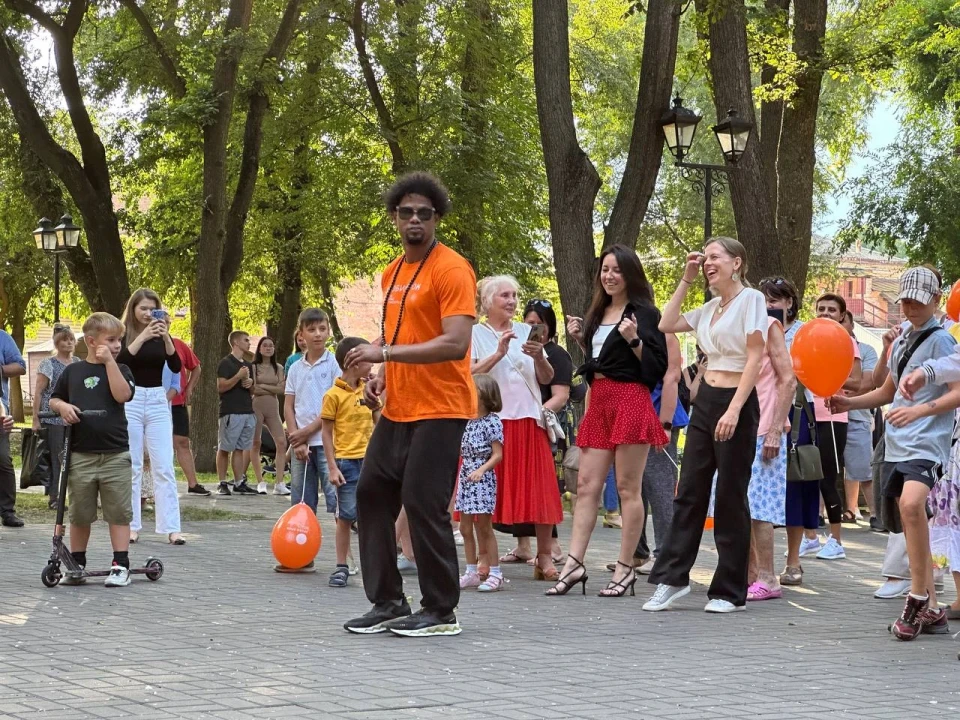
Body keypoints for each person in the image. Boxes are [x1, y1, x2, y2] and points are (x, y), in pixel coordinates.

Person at [342, 171, 476, 637]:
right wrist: (380, 370)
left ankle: (441, 610)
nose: (414, 219)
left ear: (436, 218)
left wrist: (387, 354)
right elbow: (400, 335)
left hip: (442, 406)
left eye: (424, 213)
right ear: (394, 219)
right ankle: (389, 602)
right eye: (406, 213)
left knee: (423, 502)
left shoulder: (452, 269)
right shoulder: (392, 272)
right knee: (372, 494)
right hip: (400, 404)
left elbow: (456, 343)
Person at [829, 266, 959, 640]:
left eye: (919, 300)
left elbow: (957, 391)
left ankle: (917, 597)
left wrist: (920, 410)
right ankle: (932, 605)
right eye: (905, 299)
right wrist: (846, 403)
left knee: (911, 505)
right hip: (898, 441)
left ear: (936, 301)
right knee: (907, 517)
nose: (910, 306)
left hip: (929, 440)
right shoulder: (901, 337)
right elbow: (887, 391)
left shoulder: (943, 341)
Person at [644, 237, 766, 613]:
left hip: (737, 402)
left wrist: (734, 410)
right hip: (706, 402)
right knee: (690, 490)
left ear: (737, 263)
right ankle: (672, 579)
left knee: (730, 495)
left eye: (716, 257)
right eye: (706, 257)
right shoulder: (711, 306)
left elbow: (756, 357)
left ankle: (729, 590)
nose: (709, 263)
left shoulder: (752, 301)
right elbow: (666, 322)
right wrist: (686, 277)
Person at [555, 244, 667, 597]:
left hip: (630, 400)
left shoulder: (646, 313)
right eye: (605, 269)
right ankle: (574, 565)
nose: (609, 275)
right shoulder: (597, 313)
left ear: (630, 274)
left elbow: (655, 367)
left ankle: (625, 568)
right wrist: (580, 340)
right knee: (586, 488)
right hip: (599, 401)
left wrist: (634, 340)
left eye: (617, 269)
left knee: (627, 490)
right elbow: (600, 362)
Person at [471, 275, 562, 582]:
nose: (511, 301)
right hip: (490, 421)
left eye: (514, 296)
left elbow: (547, 378)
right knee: (484, 492)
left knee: (540, 490)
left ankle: (545, 558)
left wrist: (539, 357)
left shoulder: (527, 331)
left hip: (527, 418)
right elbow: (465, 375)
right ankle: (485, 557)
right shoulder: (474, 334)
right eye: (504, 296)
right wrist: (497, 353)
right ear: (488, 301)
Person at [49, 312, 137, 586]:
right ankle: (77, 563)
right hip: (81, 454)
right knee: (80, 512)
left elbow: (123, 395)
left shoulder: (121, 369)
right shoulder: (73, 371)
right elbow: (54, 399)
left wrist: (110, 361)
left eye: (119, 340)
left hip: (115, 453)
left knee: (118, 511)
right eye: (110, 340)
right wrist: (62, 407)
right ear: (90, 341)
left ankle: (120, 564)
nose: (117, 345)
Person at [499, 298, 571, 568]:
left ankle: (552, 547)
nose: (532, 329)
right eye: (528, 323)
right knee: (520, 484)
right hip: (516, 421)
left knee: (542, 486)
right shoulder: (515, 347)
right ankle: (523, 546)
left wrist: (536, 413)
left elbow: (560, 395)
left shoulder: (557, 354)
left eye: (537, 324)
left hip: (543, 424)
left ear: (549, 328)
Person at [118, 288, 184, 545]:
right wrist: (143, 336)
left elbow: (176, 366)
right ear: (133, 309)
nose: (147, 313)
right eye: (143, 308)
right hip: (132, 399)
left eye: (152, 309)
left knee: (164, 465)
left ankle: (172, 528)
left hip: (157, 399)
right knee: (132, 465)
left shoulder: (160, 336)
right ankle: (132, 526)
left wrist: (166, 337)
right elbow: (122, 362)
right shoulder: (124, 335)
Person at [800, 293, 861, 561]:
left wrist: (831, 379)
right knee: (805, 477)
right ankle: (810, 536)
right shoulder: (809, 339)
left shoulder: (848, 342)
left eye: (832, 309)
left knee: (827, 478)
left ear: (842, 315)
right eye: (821, 309)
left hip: (834, 417)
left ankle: (836, 539)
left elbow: (857, 382)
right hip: (809, 414)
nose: (825, 313)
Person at [743, 312, 795, 601]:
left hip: (766, 428)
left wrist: (775, 430)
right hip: (740, 426)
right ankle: (751, 573)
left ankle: (768, 577)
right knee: (742, 504)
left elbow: (788, 381)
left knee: (760, 506)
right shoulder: (731, 321)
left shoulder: (768, 325)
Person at [627, 332, 688, 574]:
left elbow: (671, 378)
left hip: (659, 417)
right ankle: (636, 551)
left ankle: (665, 554)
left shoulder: (664, 335)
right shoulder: (619, 328)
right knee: (632, 488)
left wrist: (665, 424)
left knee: (660, 488)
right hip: (631, 417)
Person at [321, 337, 380, 588]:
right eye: (369, 359)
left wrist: (376, 405)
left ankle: (373, 565)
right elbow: (325, 432)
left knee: (372, 516)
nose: (373, 364)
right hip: (346, 463)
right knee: (345, 517)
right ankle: (341, 566)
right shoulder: (333, 395)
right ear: (354, 362)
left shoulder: (370, 390)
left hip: (370, 461)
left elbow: (380, 422)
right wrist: (332, 467)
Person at [284, 308, 341, 540]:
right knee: (301, 503)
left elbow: (333, 407)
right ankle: (300, 551)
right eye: (311, 330)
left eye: (322, 329)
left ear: (328, 331)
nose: (317, 334)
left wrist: (306, 433)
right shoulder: (296, 368)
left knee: (338, 501)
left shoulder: (334, 364)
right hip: (302, 446)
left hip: (327, 443)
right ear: (301, 335)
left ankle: (345, 559)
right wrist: (296, 438)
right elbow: (288, 405)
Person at [457, 373, 505, 593]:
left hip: (482, 478)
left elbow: (498, 454)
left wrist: (481, 470)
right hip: (465, 475)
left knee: (484, 527)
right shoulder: (466, 420)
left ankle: (495, 572)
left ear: (485, 395)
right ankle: (471, 571)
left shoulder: (492, 421)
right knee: (464, 527)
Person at [32, 324, 80, 509]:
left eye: (71, 339)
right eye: (64, 340)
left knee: (72, 457)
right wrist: (36, 418)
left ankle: (74, 495)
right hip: (52, 416)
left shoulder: (77, 362)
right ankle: (55, 497)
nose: (68, 343)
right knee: (56, 457)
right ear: (57, 343)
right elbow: (39, 392)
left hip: (73, 415)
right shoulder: (48, 364)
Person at [840, 311, 879, 524]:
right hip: (824, 416)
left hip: (857, 416)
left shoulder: (866, 350)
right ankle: (847, 510)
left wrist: (841, 390)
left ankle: (875, 514)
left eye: (842, 319)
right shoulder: (820, 346)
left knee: (863, 468)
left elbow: (868, 383)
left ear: (852, 323)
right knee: (821, 469)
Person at [165, 317, 210, 496]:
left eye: (167, 321)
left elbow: (196, 367)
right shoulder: (144, 345)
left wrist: (189, 388)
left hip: (177, 402)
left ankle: (193, 484)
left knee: (182, 442)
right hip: (154, 403)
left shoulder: (179, 345)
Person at [215, 331, 257, 496]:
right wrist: (238, 376)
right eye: (246, 340)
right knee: (225, 447)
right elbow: (221, 387)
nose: (249, 343)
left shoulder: (248, 365)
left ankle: (239, 481)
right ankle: (222, 482)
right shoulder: (225, 363)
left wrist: (250, 383)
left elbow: (253, 390)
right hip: (230, 411)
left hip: (247, 410)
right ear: (236, 343)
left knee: (240, 448)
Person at [251, 336, 288, 495]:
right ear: (259, 349)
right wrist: (270, 387)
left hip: (273, 407)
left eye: (271, 346)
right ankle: (260, 481)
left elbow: (281, 389)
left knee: (281, 442)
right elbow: (253, 389)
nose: (268, 348)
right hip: (257, 406)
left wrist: (263, 386)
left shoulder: (278, 367)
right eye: (265, 345)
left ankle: (279, 482)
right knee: (256, 443)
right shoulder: (254, 366)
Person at [0, 328, 26, 527]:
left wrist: (0, 369)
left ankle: (7, 511)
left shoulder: (2, 337)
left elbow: (20, 366)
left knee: (3, 459)